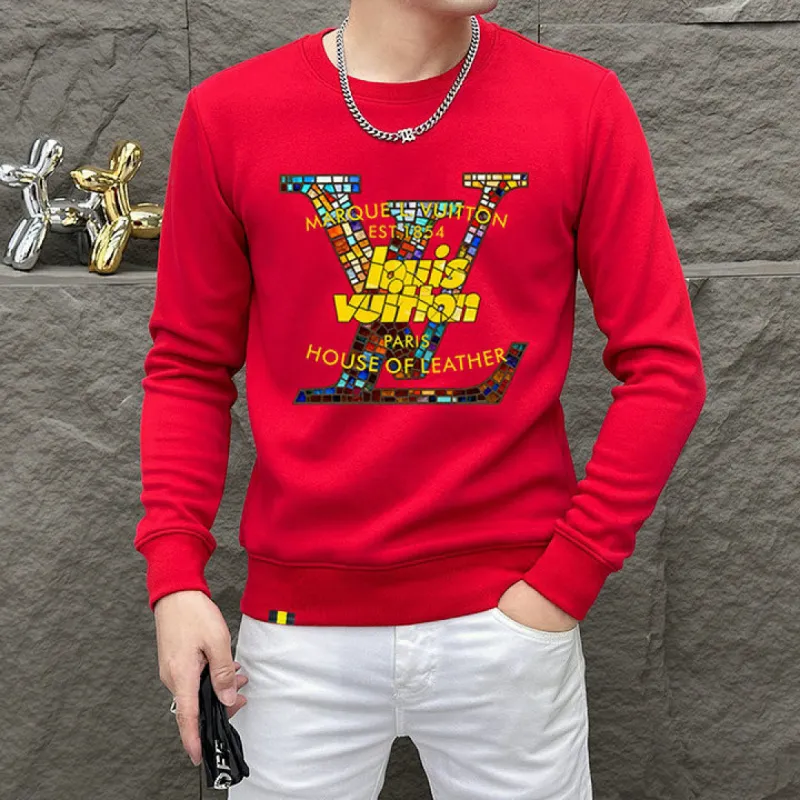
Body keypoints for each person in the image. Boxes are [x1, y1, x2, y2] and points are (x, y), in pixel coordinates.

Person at [135, 1, 707, 797]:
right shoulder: (231, 115)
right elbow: (189, 367)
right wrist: (175, 577)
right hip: (298, 638)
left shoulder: (579, 105)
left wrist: (565, 582)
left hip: (509, 630)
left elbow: (666, 365)